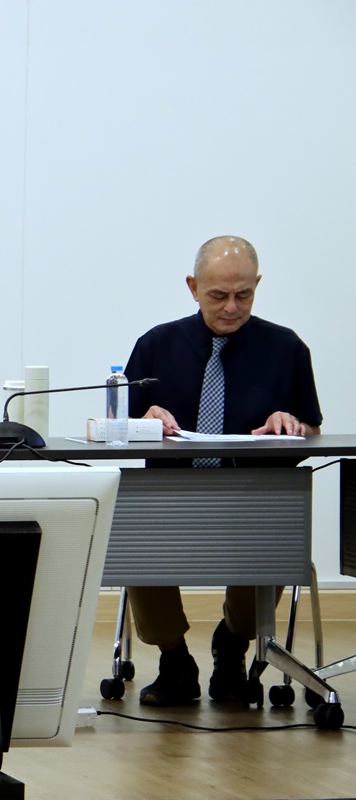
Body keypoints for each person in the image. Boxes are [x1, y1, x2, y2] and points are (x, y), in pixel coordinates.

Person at [123, 236, 322, 706]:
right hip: (169, 499)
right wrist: (144, 419)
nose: (231, 307)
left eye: (243, 295)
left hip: (253, 498)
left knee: (276, 529)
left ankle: (233, 643)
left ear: (257, 286)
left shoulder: (286, 347)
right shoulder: (155, 345)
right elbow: (119, 427)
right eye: (217, 295)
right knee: (131, 530)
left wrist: (292, 424)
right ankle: (174, 660)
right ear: (193, 287)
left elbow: (312, 426)